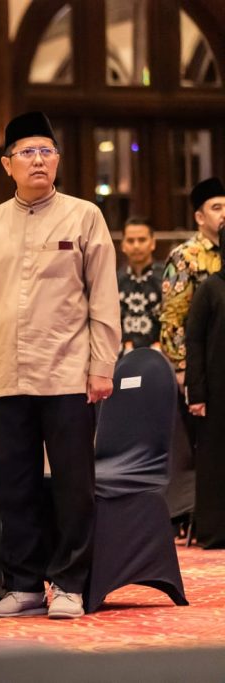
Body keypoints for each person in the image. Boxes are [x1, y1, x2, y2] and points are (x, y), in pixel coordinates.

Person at [0, 111, 120, 619]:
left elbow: (104, 296)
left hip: (67, 371)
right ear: (7, 164)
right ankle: (24, 585)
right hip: (4, 372)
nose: (38, 160)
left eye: (46, 152)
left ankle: (70, 583)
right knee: (15, 485)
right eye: (27, 152)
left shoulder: (84, 216)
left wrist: (102, 365)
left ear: (58, 161)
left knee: (74, 485)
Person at [185, 227, 225, 549]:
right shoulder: (210, 289)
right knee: (214, 463)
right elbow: (194, 342)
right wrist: (196, 393)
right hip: (216, 394)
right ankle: (215, 531)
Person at [160, 177, 223, 377]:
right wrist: (181, 367)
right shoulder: (185, 256)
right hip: (201, 362)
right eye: (216, 208)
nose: (224, 214)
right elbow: (173, 317)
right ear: (200, 217)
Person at [118, 217, 162, 352]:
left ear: (153, 243)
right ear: (123, 245)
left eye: (142, 240)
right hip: (121, 357)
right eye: (130, 241)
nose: (136, 246)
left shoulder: (167, 278)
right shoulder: (113, 281)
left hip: (159, 356)